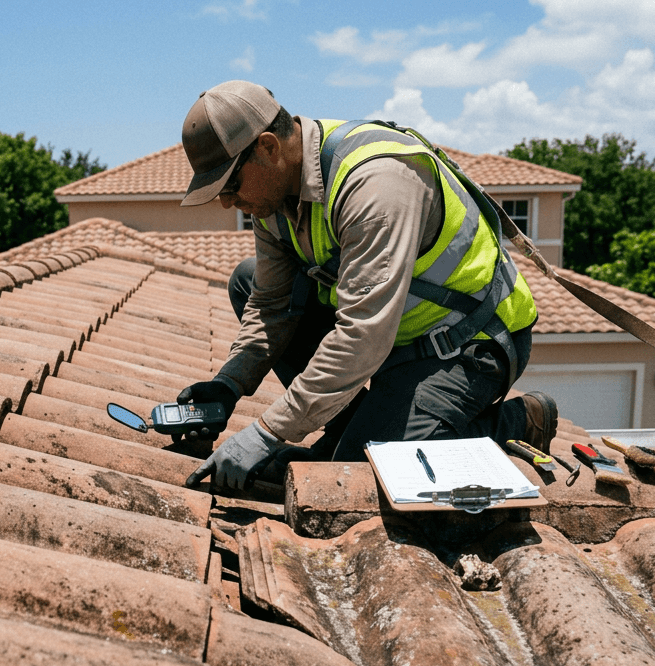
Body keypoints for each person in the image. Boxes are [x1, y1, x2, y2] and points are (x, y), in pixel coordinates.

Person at [177, 80, 557, 490]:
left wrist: (267, 433)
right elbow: (272, 304)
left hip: (464, 343)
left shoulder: (376, 184)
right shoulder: (272, 199)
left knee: (366, 479)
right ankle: (351, 429)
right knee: (247, 281)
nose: (227, 202)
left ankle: (517, 422)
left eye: (231, 185)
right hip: (388, 338)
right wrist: (227, 385)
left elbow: (363, 336)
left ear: (268, 147)